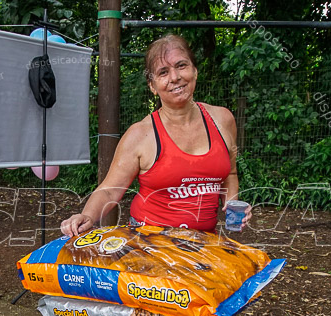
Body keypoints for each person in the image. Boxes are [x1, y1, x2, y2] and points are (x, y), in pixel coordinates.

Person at [61, 34, 250, 237]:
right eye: (163, 72)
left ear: (195, 71)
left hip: (202, 243)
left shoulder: (223, 120)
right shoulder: (140, 135)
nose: (175, 77)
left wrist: (232, 204)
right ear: (152, 86)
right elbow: (110, 190)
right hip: (149, 243)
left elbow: (230, 173)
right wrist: (87, 216)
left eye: (181, 65)